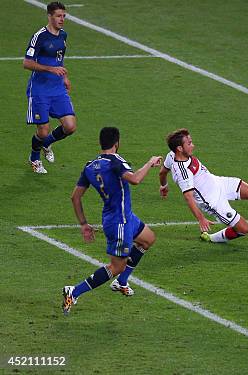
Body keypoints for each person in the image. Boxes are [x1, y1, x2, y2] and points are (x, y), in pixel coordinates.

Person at [62, 127, 162, 315]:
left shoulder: (90, 166)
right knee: (116, 266)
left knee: (148, 239)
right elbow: (135, 180)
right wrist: (150, 163)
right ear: (117, 143)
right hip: (119, 223)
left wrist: (84, 224)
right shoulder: (116, 161)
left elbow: (75, 197)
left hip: (123, 216)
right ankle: (74, 291)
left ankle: (121, 282)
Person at [24, 2, 77, 174]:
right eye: (58, 16)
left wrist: (64, 77)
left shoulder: (63, 35)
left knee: (70, 126)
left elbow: (59, 60)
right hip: (40, 90)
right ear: (49, 16)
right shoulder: (39, 36)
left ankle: (47, 143)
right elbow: (27, 63)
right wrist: (50, 69)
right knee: (43, 130)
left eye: (64, 16)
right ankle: (34, 157)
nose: (62, 19)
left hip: (57, 88)